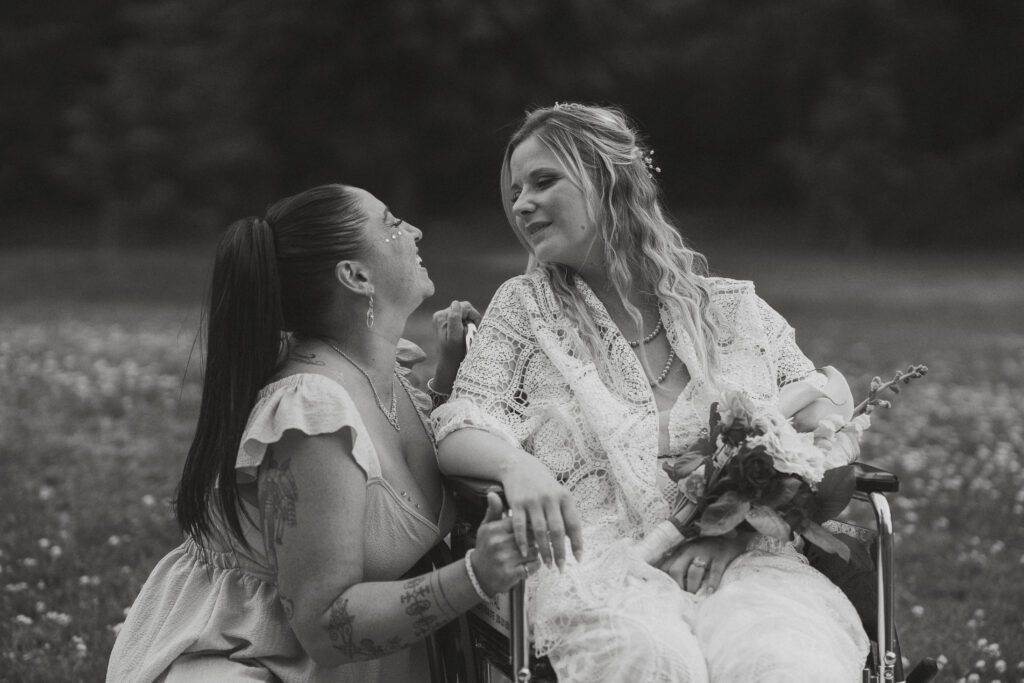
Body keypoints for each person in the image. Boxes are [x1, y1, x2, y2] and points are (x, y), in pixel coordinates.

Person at [433, 104, 870, 682]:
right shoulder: (524, 309)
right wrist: (517, 468)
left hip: (741, 561)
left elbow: (826, 421)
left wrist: (736, 531)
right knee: (651, 660)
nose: (521, 204)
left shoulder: (728, 309)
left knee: (782, 659)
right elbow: (459, 425)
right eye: (515, 191)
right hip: (596, 562)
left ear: (609, 181)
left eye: (544, 181)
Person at [107, 184, 539, 682]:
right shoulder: (312, 411)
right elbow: (327, 626)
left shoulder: (385, 373)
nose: (415, 231)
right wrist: (475, 577)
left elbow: (399, 474)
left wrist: (450, 375)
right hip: (245, 658)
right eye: (393, 223)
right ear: (355, 276)